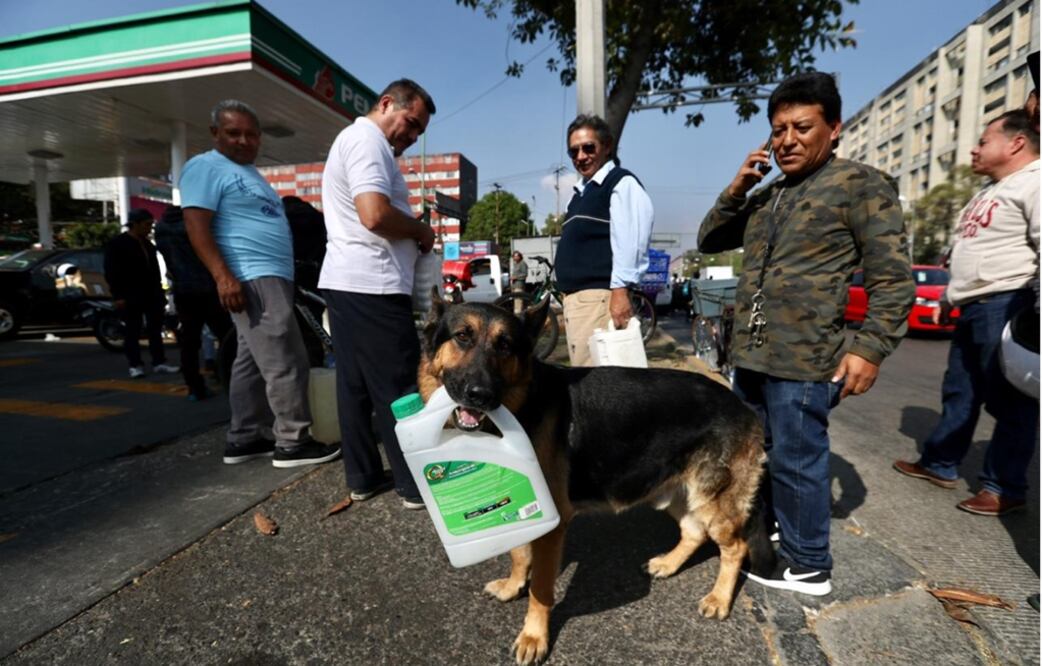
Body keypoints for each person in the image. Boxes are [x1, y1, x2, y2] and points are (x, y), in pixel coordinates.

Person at [698, 71, 914, 596]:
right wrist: (739, 186)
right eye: (778, 131)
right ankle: (769, 534)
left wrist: (870, 347)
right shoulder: (771, 194)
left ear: (834, 128)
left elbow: (892, 276)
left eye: (801, 127)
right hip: (751, 353)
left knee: (799, 458)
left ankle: (809, 564)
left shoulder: (861, 184)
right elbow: (709, 239)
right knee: (756, 453)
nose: (787, 140)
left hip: (804, 358)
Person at [894, 109, 1039, 516]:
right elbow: (969, 253)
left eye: (983, 140)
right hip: (973, 306)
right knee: (960, 391)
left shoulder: (1036, 182)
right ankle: (940, 463)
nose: (974, 149)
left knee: (1011, 402)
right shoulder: (991, 189)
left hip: (1009, 302)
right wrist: (947, 299)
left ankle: (1004, 486)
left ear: (1015, 143)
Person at [180, 99, 340, 469]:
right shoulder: (206, 167)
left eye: (251, 134)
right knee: (287, 359)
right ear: (215, 133)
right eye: (233, 133)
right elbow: (196, 225)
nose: (244, 141)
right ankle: (292, 441)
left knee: (250, 361)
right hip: (251, 274)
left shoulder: (250, 174)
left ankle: (246, 436)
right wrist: (223, 276)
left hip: (270, 276)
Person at [319, 79, 437, 510]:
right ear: (386, 103)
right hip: (373, 283)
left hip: (348, 281)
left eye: (419, 132)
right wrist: (420, 230)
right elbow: (373, 214)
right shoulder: (368, 142)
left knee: (355, 386)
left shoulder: (355, 140)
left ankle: (364, 477)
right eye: (410, 123)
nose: (411, 135)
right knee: (400, 385)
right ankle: (413, 484)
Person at [554, 114, 654, 367]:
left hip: (599, 301)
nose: (580, 156)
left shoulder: (620, 183)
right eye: (573, 151)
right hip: (578, 302)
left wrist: (620, 293)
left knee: (599, 386)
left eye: (588, 147)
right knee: (588, 381)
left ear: (607, 146)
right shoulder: (580, 193)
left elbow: (631, 242)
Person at [154, 204, 232, 401]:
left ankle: (194, 387)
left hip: (183, 291)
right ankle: (231, 379)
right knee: (227, 336)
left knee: (189, 343)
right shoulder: (190, 227)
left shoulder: (161, 230)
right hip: (207, 288)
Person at [103, 208, 180, 379]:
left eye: (151, 225)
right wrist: (118, 296)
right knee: (132, 330)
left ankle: (159, 362)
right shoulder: (118, 244)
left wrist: (160, 294)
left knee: (155, 329)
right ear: (135, 224)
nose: (149, 228)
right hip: (130, 295)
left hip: (151, 294)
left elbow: (154, 270)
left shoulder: (148, 244)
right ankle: (135, 365)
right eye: (146, 224)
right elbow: (112, 272)